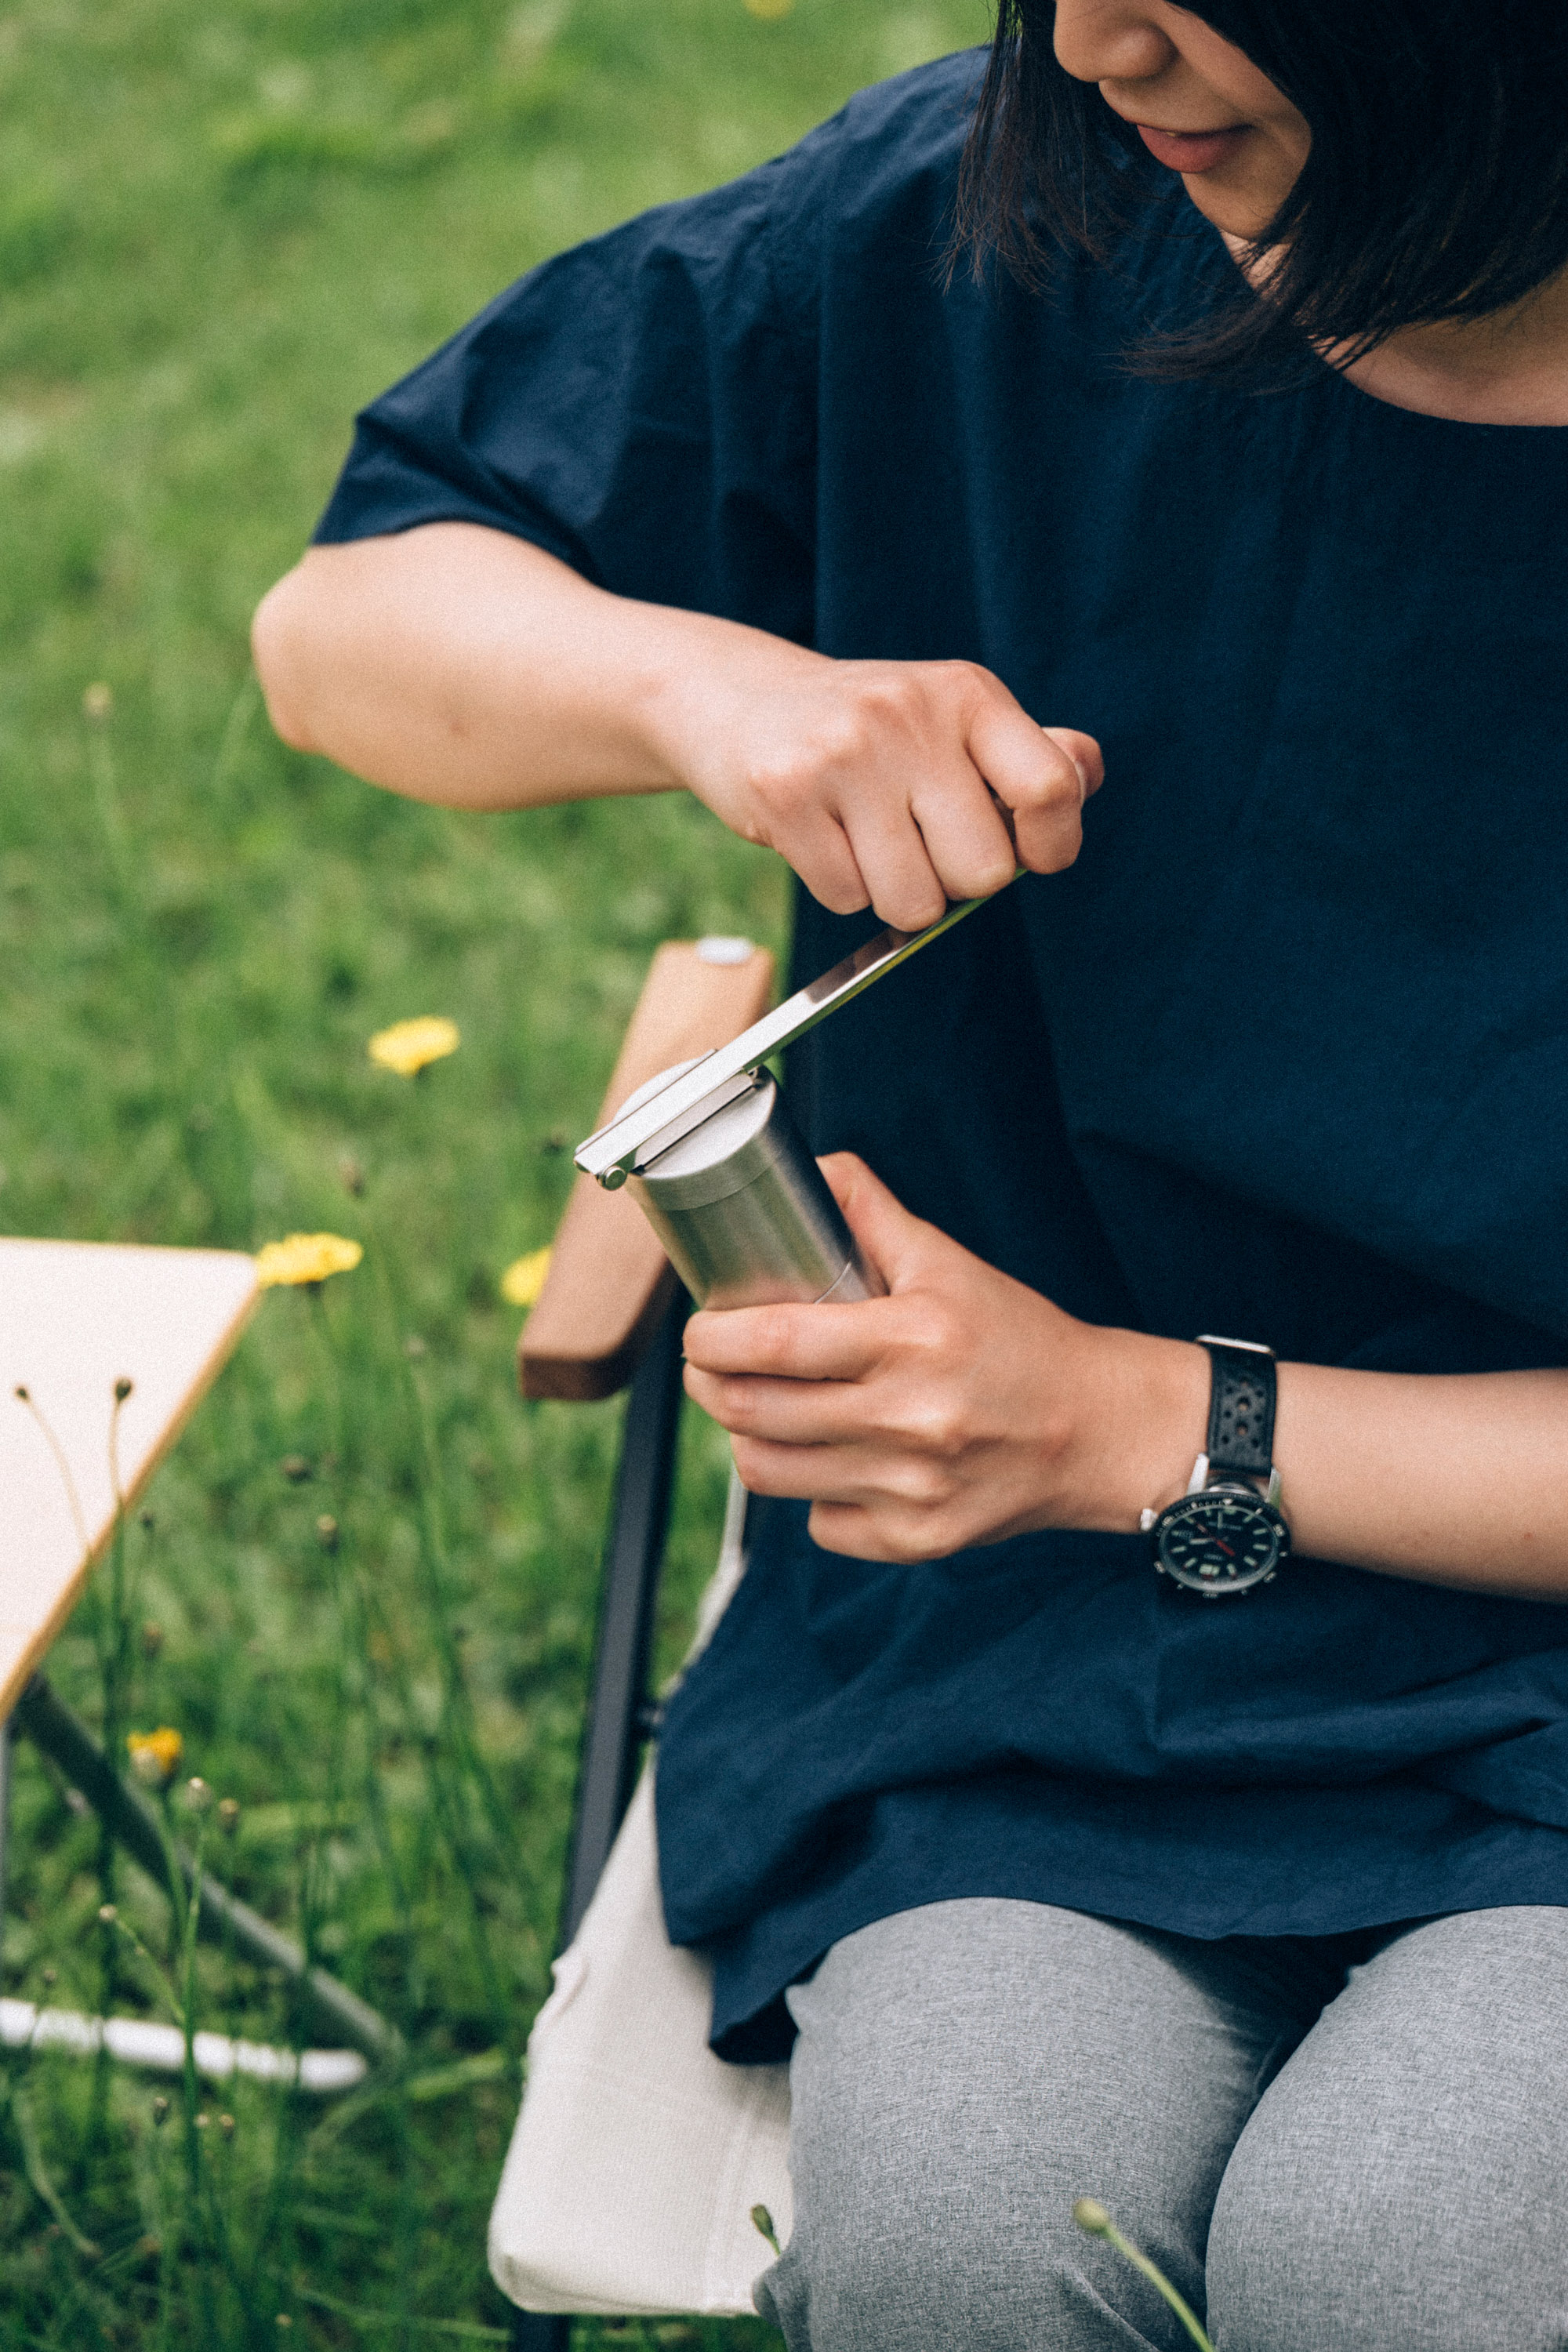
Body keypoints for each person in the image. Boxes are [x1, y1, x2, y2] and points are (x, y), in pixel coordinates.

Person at [252, 2, 1568, 2343]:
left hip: (1319, 1556)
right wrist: (709, 691)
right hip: (1032, 1670)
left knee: (1400, 2266)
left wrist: (1131, 1425)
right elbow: (340, 625)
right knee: (968, 2251)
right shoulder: (1007, 211)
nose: (1091, 28)